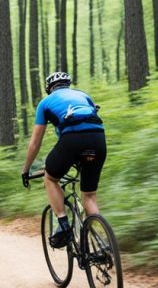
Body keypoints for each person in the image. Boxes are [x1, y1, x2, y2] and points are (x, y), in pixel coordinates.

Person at [21, 72, 107, 248]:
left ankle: (63, 225)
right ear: (68, 84)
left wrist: (25, 170)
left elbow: (35, 143)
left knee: (51, 178)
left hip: (71, 141)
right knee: (89, 197)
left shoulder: (45, 103)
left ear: (49, 89)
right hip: (98, 140)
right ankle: (103, 243)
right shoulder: (84, 96)